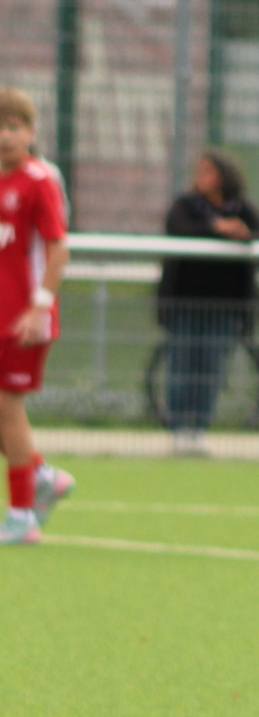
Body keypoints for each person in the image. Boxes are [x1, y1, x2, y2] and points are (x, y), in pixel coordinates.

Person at [0, 87, 76, 546]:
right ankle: (43, 475)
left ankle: (23, 515)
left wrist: (39, 305)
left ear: (31, 132)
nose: (5, 136)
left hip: (23, 320)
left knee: (8, 409)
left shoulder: (38, 180)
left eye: (14, 127)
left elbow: (58, 247)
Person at [157, 149, 259, 455]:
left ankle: (199, 427)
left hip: (225, 307)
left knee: (211, 367)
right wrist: (215, 229)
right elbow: (178, 229)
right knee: (182, 365)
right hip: (185, 303)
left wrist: (243, 233)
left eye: (209, 171)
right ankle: (178, 427)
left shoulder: (241, 208)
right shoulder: (186, 206)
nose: (201, 176)